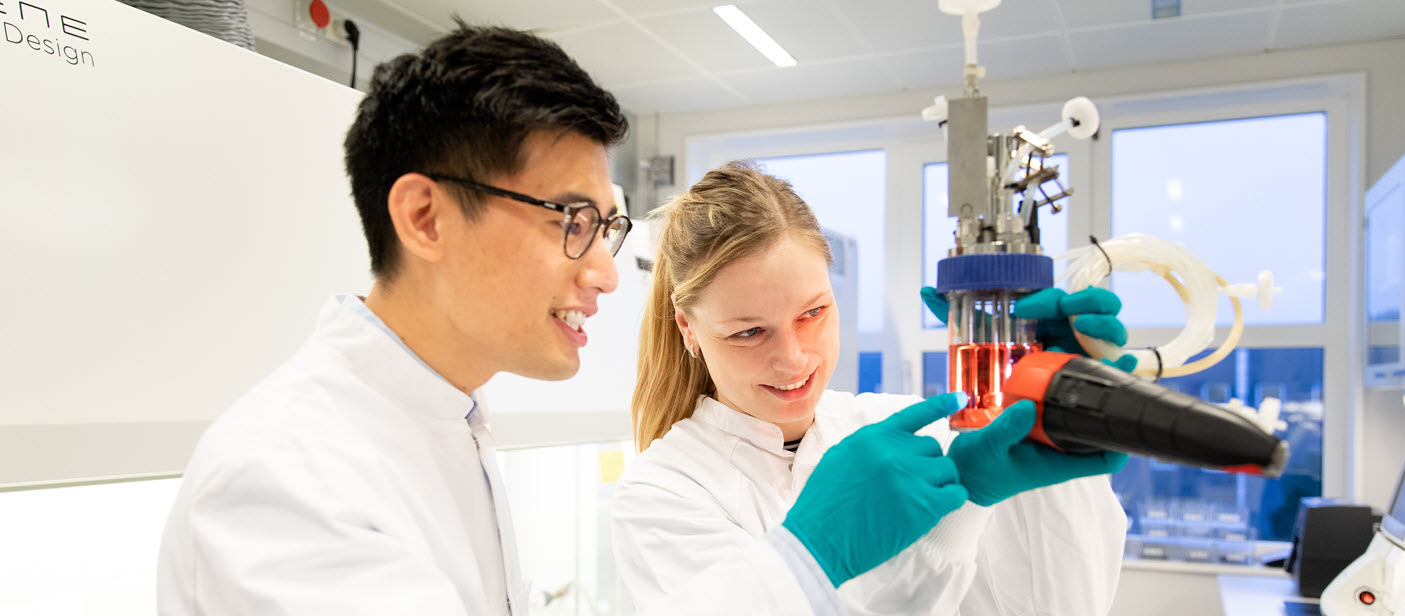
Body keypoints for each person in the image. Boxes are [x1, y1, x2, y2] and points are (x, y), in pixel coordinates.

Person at [157, 25, 983, 616]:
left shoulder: (446, 428)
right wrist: (805, 557)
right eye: (572, 221)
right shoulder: (287, 478)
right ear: (426, 218)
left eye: (608, 228)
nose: (604, 274)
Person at [614, 160, 1134, 614]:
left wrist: (1056, 423)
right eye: (749, 331)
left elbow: (1062, 606)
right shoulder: (664, 492)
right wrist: (949, 523)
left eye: (813, 313)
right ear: (689, 329)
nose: (793, 357)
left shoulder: (908, 431)